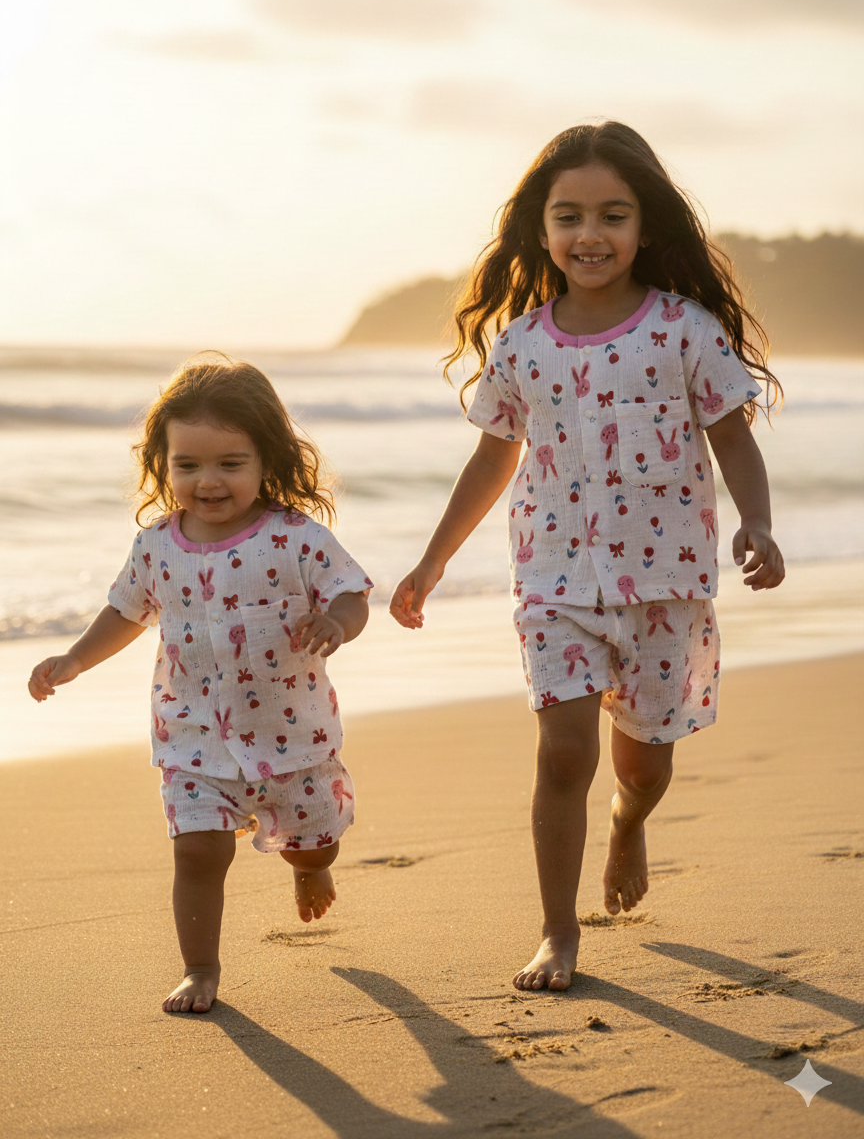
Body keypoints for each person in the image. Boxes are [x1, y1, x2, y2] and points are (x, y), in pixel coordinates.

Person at [389, 121, 785, 992]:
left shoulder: (684, 328)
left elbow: (732, 436)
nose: (590, 234)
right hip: (554, 582)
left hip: (664, 584)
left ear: (646, 228)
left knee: (642, 764)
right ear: (541, 229)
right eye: (569, 216)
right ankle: (556, 932)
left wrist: (756, 522)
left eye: (613, 214)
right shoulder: (522, 344)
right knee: (564, 754)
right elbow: (493, 456)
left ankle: (629, 822)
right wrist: (432, 562)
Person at [28, 358, 371, 1013]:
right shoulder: (157, 547)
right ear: (162, 464)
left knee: (314, 839)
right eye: (187, 465)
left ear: (267, 459)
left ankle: (311, 866)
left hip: (291, 736)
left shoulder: (297, 538)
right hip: (191, 738)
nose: (207, 481)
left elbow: (351, 593)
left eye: (229, 464)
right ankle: (201, 969)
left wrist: (337, 623)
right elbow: (126, 612)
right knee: (198, 853)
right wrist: (73, 659)